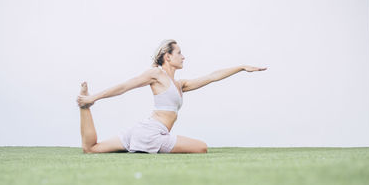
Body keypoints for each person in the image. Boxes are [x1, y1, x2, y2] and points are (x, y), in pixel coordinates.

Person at [77, 39, 267, 154]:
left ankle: (83, 107)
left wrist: (241, 68)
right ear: (167, 57)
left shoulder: (180, 84)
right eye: (179, 53)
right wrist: (94, 97)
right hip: (151, 133)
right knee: (202, 147)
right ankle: (87, 103)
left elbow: (212, 77)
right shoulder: (156, 74)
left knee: (91, 149)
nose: (183, 57)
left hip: (146, 131)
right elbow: (125, 86)